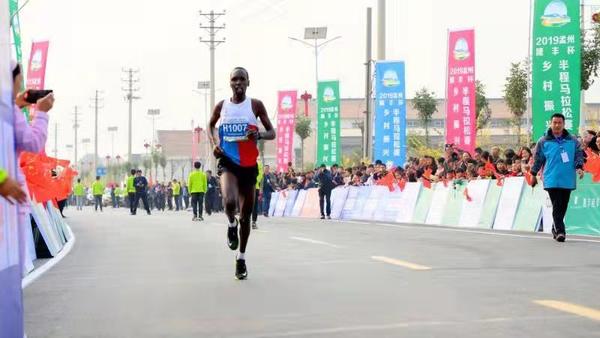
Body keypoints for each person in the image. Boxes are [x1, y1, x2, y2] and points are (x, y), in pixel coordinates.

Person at [208, 66, 275, 280]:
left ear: (248, 82)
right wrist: (214, 144)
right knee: (229, 202)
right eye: (234, 79)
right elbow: (210, 126)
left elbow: (271, 132)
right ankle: (230, 224)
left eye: (242, 79)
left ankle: (241, 258)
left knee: (246, 216)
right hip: (228, 161)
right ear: (230, 83)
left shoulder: (255, 105)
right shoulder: (222, 106)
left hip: (248, 164)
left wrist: (259, 135)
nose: (238, 83)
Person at [531, 113, 584, 242]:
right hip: (551, 178)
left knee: (563, 205)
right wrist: (533, 174)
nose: (557, 125)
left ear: (564, 124)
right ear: (550, 123)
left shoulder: (572, 140)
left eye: (560, 123)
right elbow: (538, 159)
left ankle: (555, 227)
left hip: (567, 178)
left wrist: (579, 167)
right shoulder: (543, 141)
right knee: (557, 203)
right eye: (554, 122)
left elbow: (578, 155)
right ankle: (560, 231)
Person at [251, 162, 263, 229]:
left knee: (254, 205)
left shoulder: (259, 164)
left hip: (254, 187)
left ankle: (253, 222)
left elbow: (260, 174)